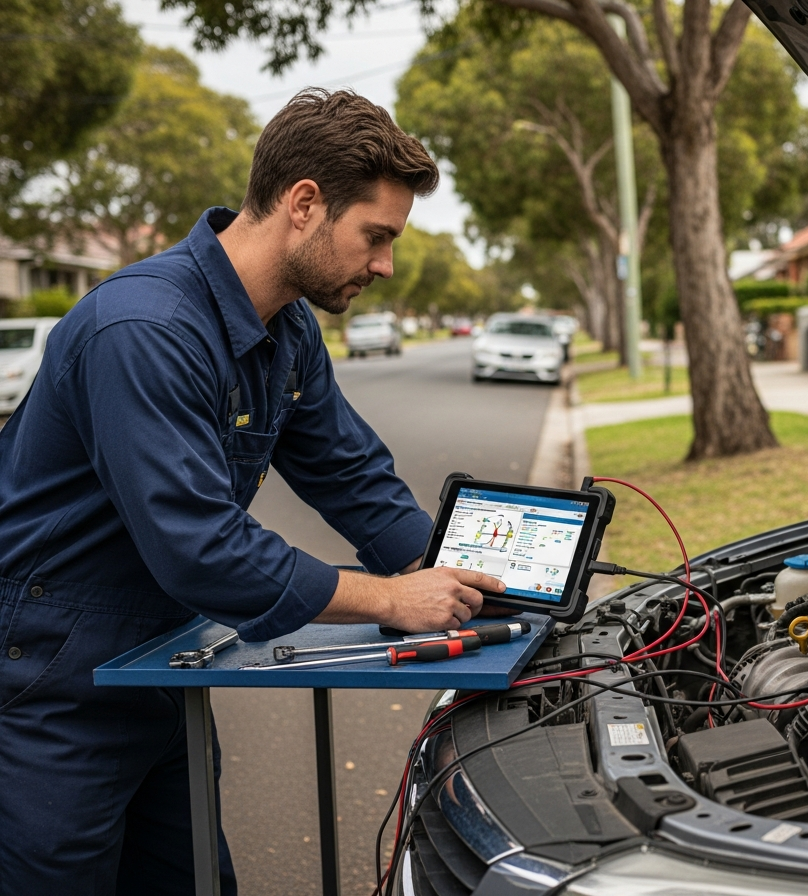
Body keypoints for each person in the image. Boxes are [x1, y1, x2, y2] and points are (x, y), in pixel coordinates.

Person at [0, 88, 507, 893]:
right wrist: (393, 599)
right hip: (48, 680)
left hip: (158, 667)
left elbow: (355, 478)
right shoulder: (144, 328)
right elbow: (199, 547)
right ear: (304, 204)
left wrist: (481, 584)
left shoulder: (287, 329)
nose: (384, 264)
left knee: (197, 879)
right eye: (375, 236)